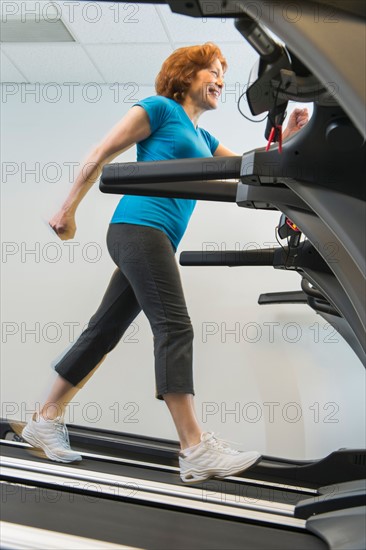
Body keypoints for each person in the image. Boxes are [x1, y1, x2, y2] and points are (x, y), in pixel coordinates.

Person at [21, 43, 308, 483]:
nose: (220, 80)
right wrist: (67, 208)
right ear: (185, 75)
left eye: (222, 74)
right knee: (175, 326)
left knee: (103, 332)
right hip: (138, 229)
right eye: (212, 71)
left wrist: (284, 136)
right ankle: (193, 448)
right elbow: (101, 152)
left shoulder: (204, 137)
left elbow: (245, 168)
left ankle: (44, 418)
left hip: (154, 240)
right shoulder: (158, 109)